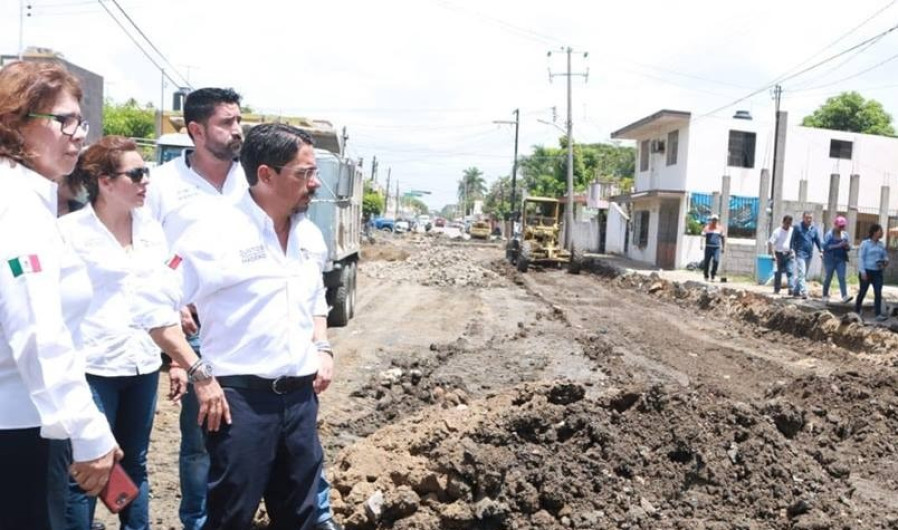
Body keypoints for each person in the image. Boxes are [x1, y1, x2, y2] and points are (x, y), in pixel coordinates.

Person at [148, 87, 343, 530]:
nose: (315, 183)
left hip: (299, 400)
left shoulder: (308, 235)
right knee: (231, 517)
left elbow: (315, 297)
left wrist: (324, 345)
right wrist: (198, 373)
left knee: (302, 515)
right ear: (266, 175)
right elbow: (155, 307)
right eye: (305, 172)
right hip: (240, 404)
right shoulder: (212, 233)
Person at [59, 136, 230, 530]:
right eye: (135, 174)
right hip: (91, 366)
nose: (145, 182)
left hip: (140, 363)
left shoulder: (151, 230)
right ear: (104, 181)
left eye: (146, 172)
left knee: (134, 461)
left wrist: (175, 360)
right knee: (87, 466)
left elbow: (163, 297)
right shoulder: (69, 233)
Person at [0, 60, 119, 530]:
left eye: (80, 122)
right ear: (12, 123)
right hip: (17, 433)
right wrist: (90, 433)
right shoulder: (17, 210)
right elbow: (38, 334)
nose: (77, 135)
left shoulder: (27, 199)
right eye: (62, 121)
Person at [147, 87, 247, 530]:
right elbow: (145, 252)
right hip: (192, 328)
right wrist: (173, 303)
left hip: (244, 323)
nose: (237, 130)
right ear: (195, 130)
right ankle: (197, 520)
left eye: (238, 120)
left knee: (249, 430)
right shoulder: (163, 186)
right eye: (227, 123)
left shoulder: (252, 179)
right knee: (199, 436)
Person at [855, 223, 889, 321]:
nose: (881, 232)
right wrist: (863, 272)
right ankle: (857, 310)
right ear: (874, 232)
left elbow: (885, 256)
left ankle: (878, 313)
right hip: (867, 271)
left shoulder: (881, 244)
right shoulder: (865, 243)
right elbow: (861, 258)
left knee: (878, 292)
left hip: (878, 272)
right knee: (862, 291)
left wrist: (885, 261)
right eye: (880, 231)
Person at [790, 211, 823, 299]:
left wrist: (821, 250)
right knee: (802, 272)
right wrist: (792, 250)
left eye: (810, 218)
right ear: (803, 218)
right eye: (807, 218)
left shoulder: (814, 229)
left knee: (803, 275)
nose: (809, 220)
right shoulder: (798, 227)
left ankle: (796, 291)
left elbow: (817, 240)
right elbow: (792, 240)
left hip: (809, 254)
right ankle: (804, 292)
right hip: (800, 253)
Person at [821, 216, 853, 304]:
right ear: (835, 225)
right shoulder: (829, 235)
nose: (841, 228)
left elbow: (849, 247)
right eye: (840, 226)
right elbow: (825, 247)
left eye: (843, 226)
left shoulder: (845, 235)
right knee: (828, 277)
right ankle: (824, 294)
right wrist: (838, 245)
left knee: (842, 277)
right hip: (830, 259)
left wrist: (846, 246)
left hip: (841, 259)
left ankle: (844, 296)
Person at [767, 214, 795, 295]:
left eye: (789, 224)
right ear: (783, 222)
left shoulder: (792, 231)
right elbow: (771, 243)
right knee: (778, 273)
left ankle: (791, 289)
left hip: (789, 254)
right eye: (786, 223)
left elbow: (795, 242)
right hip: (778, 254)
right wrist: (773, 255)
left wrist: (794, 251)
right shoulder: (777, 231)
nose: (788, 225)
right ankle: (777, 289)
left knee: (790, 271)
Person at [700, 214, 725, 281]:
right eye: (713, 220)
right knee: (707, 262)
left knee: (716, 261)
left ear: (717, 221)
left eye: (715, 220)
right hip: (708, 247)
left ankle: (713, 275)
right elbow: (702, 236)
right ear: (711, 220)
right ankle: (706, 276)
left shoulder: (720, 228)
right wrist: (701, 244)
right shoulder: (707, 228)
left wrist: (723, 247)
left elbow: (723, 238)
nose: (714, 221)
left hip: (716, 248)